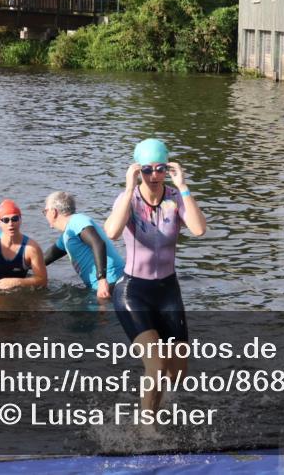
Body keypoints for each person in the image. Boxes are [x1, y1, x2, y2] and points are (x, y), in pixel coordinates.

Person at [104, 138, 207, 414]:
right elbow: (112, 232)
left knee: (177, 375)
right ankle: (148, 427)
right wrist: (128, 188)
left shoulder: (175, 198)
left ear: (167, 169)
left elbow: (198, 230)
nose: (153, 176)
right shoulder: (128, 199)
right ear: (137, 170)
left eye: (160, 169)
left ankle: (153, 408)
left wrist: (183, 186)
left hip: (168, 291)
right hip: (133, 292)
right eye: (146, 170)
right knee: (156, 364)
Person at [42, 191, 124, 299]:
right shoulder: (67, 234)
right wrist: (21, 266)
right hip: (104, 285)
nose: (45, 214)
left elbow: (98, 243)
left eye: (45, 211)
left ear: (53, 212)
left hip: (113, 281)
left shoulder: (77, 220)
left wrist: (102, 279)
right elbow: (46, 257)